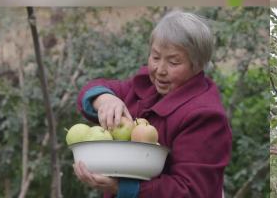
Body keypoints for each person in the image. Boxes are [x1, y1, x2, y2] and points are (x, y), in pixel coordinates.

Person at [73, 11, 232, 197]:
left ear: (197, 66)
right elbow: (93, 89)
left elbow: (192, 191)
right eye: (155, 57)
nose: (160, 70)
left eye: (173, 62)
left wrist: (122, 188)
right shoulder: (145, 86)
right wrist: (105, 99)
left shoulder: (205, 116)